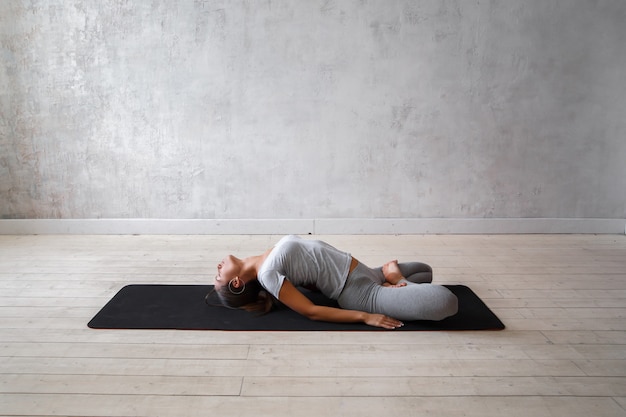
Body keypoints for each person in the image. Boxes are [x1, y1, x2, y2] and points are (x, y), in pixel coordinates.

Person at [211, 235, 458, 329]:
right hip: (360, 293)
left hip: (365, 272)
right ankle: (396, 281)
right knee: (447, 301)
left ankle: (394, 284)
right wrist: (365, 317)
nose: (218, 268)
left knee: (425, 272)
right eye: (218, 276)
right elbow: (311, 311)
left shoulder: (266, 260)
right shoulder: (267, 275)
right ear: (236, 283)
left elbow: (309, 270)